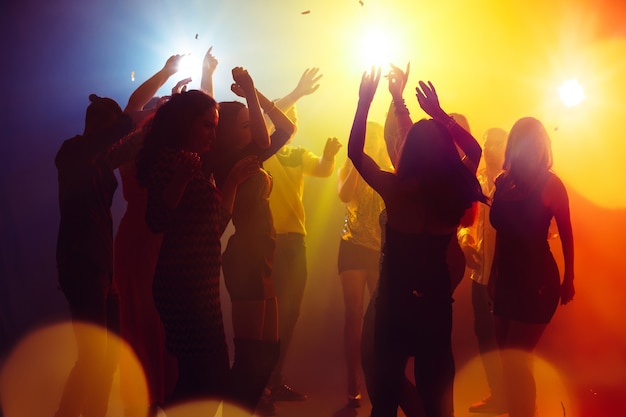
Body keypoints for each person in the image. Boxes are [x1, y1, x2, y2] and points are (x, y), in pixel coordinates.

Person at [348, 67, 485, 417]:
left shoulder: (395, 190)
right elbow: (474, 149)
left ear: (408, 152)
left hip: (395, 305)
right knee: (435, 386)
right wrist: (439, 115)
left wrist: (364, 102)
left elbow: (354, 152)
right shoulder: (453, 191)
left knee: (386, 392)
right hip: (435, 305)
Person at [135, 89, 258, 408]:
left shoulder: (193, 163)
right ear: (185, 124)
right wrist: (179, 180)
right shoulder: (171, 161)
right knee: (211, 380)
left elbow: (214, 226)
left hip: (199, 287)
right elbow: (156, 220)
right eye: (207, 125)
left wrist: (231, 182)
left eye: (216, 127)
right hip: (183, 287)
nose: (213, 135)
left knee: (197, 382)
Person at [206, 67, 296, 416]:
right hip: (246, 257)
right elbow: (264, 137)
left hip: (263, 254)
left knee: (268, 353)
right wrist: (249, 91)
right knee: (249, 357)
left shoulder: (250, 156)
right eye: (243, 124)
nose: (252, 127)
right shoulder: (234, 159)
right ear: (228, 133)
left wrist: (253, 95)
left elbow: (286, 128)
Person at [261, 68, 342, 411]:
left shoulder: (296, 155)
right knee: (270, 312)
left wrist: (329, 155)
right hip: (271, 241)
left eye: (291, 119)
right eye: (284, 117)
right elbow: (267, 120)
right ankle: (261, 381)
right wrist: (294, 93)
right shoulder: (261, 151)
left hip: (296, 241)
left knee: (290, 314)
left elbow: (323, 170)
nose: (289, 124)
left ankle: (273, 380)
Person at [112, 54, 187, 417]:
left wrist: (172, 82)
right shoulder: (137, 140)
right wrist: (166, 73)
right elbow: (133, 107)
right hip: (142, 236)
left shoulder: (163, 146)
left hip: (153, 235)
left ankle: (157, 399)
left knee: (158, 318)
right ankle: (145, 399)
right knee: (142, 318)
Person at [488, 117, 575, 417]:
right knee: (508, 360)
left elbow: (566, 233)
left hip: (537, 281)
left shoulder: (551, 184)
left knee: (517, 360)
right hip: (508, 279)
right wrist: (494, 273)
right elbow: (502, 233)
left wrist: (569, 278)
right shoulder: (503, 182)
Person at [54, 94, 132, 417]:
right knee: (92, 356)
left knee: (109, 355)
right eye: (109, 130)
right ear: (97, 126)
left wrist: (161, 110)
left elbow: (131, 136)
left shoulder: (101, 160)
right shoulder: (71, 151)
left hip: (102, 264)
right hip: (82, 261)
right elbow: (126, 127)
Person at [337, 120, 390, 409]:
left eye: (373, 137)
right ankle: (352, 379)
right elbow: (344, 195)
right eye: (365, 138)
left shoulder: (387, 168)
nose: (370, 141)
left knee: (381, 316)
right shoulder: (349, 166)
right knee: (354, 314)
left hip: (380, 249)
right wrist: (357, 164)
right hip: (352, 245)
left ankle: (380, 375)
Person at [458, 127, 508, 415]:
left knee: (507, 339)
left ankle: (517, 395)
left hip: (507, 276)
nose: (490, 148)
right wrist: (465, 244)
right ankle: (497, 393)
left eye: (497, 143)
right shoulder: (475, 180)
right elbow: (465, 222)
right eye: (487, 143)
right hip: (481, 274)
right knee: (485, 338)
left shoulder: (514, 183)